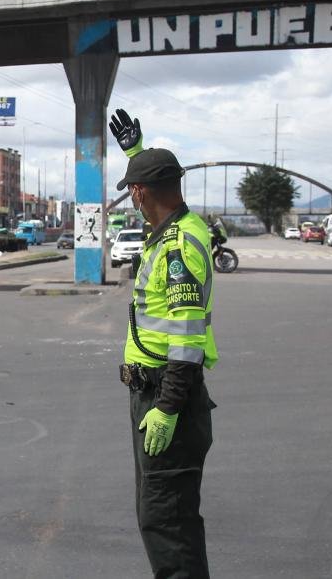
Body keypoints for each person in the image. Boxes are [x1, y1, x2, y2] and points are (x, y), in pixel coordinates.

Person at [109, 108, 218, 578]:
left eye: (133, 191)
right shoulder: (176, 229)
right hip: (153, 393)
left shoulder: (177, 245)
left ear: (138, 194)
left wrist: (169, 406)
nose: (132, 200)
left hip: (165, 396)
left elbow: (188, 337)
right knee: (163, 517)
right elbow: (156, 185)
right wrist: (138, 154)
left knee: (166, 520)